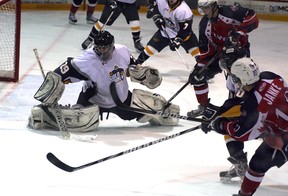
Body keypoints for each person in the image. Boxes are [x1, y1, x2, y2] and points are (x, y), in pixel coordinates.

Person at [28, 30, 180, 133]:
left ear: (112, 46)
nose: (102, 52)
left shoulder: (122, 51)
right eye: (99, 48)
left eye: (106, 48)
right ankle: (44, 116)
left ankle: (167, 113)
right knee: (77, 120)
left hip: (121, 99)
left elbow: (132, 69)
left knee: (154, 105)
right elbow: (62, 73)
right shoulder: (86, 59)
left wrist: (143, 74)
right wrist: (53, 84)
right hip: (94, 100)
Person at [187, 0, 259, 182]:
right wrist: (200, 67)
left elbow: (253, 17)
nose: (203, 11)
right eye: (201, 8)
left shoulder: (231, 12)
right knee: (199, 76)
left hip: (238, 58)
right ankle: (205, 108)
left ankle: (242, 160)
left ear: (215, 5)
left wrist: (239, 32)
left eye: (206, 7)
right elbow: (207, 50)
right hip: (223, 59)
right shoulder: (205, 24)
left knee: (232, 115)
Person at [205, 57, 288, 196]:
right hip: (281, 127)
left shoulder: (256, 106)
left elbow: (242, 133)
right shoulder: (269, 77)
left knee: (258, 163)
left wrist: (219, 124)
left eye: (235, 78)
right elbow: (254, 100)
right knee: (261, 158)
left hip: (284, 136)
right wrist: (224, 111)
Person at [135, 0, 199, 65]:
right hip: (165, 31)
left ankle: (202, 68)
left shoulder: (184, 10)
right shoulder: (161, 1)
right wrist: (156, 15)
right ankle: (136, 65)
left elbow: (186, 30)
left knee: (198, 54)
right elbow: (154, 4)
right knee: (148, 50)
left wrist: (178, 40)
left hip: (183, 35)